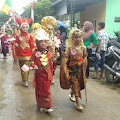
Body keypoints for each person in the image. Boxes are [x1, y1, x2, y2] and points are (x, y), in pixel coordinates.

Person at [60, 29, 87, 111]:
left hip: (80, 71)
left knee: (79, 85)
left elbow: (85, 57)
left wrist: (83, 62)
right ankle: (78, 103)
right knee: (75, 85)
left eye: (79, 37)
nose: (78, 39)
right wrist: (65, 56)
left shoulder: (83, 48)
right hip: (72, 71)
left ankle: (72, 94)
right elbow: (67, 58)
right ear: (72, 38)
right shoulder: (69, 48)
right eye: (76, 37)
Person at [30, 28, 53, 113]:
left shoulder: (49, 53)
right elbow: (31, 62)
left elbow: (50, 65)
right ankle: (40, 104)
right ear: (37, 42)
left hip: (46, 74)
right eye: (41, 42)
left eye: (45, 42)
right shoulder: (34, 52)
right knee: (39, 89)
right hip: (39, 73)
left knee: (46, 89)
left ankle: (48, 106)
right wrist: (33, 65)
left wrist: (51, 76)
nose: (43, 44)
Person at [15, 18, 35, 87]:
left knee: (26, 68)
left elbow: (32, 46)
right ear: (21, 27)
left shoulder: (30, 36)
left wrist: (34, 54)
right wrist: (16, 44)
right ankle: (24, 79)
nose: (25, 28)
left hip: (27, 54)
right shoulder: (18, 35)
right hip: (20, 54)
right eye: (23, 27)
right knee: (22, 68)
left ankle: (25, 80)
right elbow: (16, 43)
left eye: (26, 27)